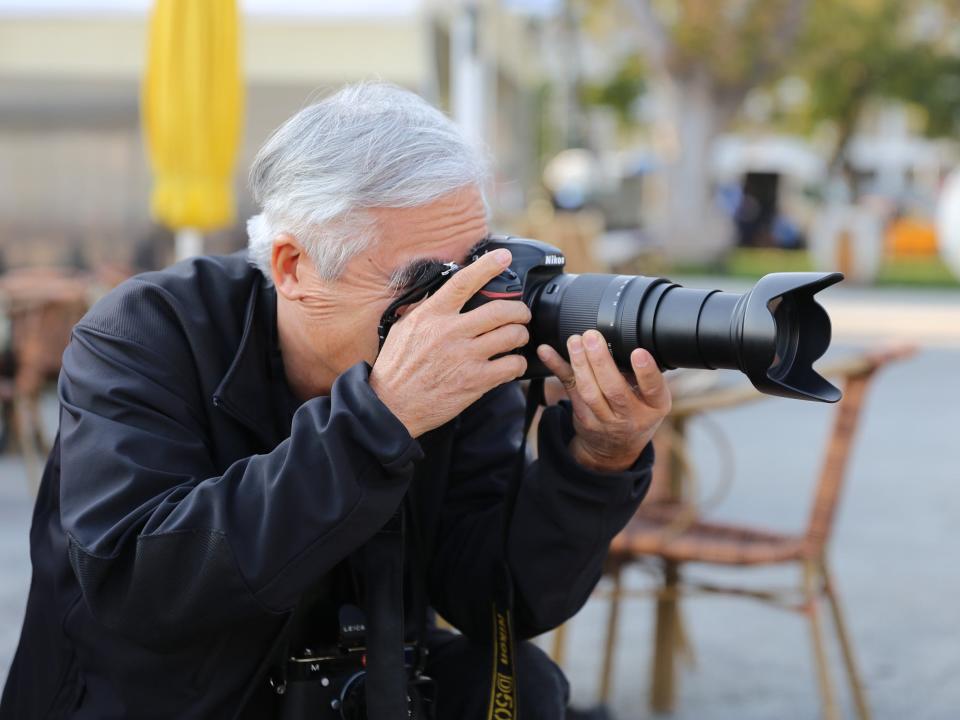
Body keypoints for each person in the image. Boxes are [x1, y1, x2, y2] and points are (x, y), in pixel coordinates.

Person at [1, 83, 670, 720]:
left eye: (476, 267)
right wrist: (379, 421)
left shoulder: (457, 355)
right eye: (428, 279)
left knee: (521, 686)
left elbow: (493, 596)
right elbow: (141, 584)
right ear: (294, 267)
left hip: (354, 682)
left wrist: (595, 464)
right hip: (165, 696)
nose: (457, 302)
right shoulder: (146, 332)